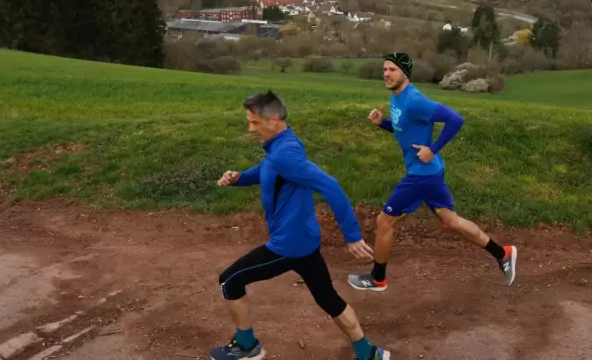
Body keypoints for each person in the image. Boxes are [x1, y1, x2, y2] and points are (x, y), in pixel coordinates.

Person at [211, 90, 390, 360]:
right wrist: (239, 178)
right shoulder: (281, 147)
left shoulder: (285, 154)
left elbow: (331, 185)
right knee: (328, 299)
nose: (250, 129)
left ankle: (247, 347)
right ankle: (368, 352)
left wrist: (352, 236)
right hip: (305, 240)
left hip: (288, 245)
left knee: (230, 281)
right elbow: (266, 170)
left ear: (273, 119)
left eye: (255, 123)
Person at [347, 52, 517, 293]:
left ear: (404, 73)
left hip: (421, 174)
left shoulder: (415, 101)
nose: (386, 73)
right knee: (451, 221)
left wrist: (433, 149)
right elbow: (405, 130)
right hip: (430, 172)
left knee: (385, 221)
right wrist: (382, 124)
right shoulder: (397, 96)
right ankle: (503, 254)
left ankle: (378, 278)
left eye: (392, 70)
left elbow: (455, 119)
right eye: (384, 69)